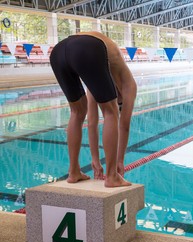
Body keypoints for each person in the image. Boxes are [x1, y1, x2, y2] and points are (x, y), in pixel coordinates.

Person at [50, 31, 137, 188]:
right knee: (111, 112)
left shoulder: (99, 75)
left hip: (59, 52)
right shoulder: (128, 83)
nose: (119, 102)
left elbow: (92, 122)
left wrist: (95, 160)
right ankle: (112, 177)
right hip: (85, 48)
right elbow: (124, 126)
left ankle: (74, 171)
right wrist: (118, 162)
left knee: (77, 112)